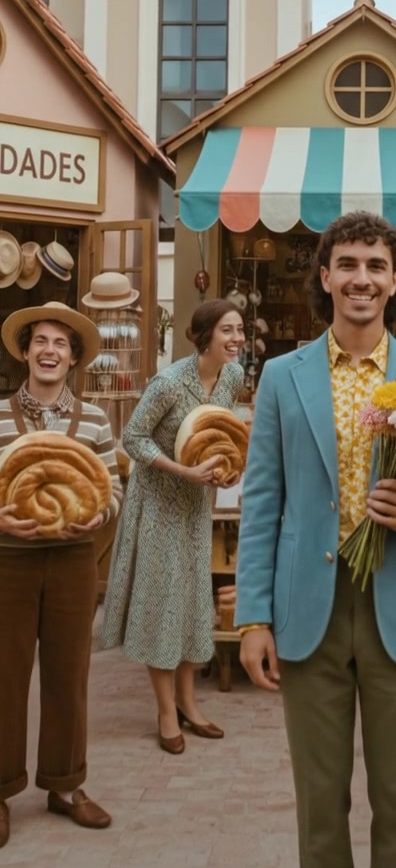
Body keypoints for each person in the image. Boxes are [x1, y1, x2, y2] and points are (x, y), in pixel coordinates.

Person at [236, 211, 396, 868]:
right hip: (308, 610)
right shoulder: (283, 377)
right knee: (319, 809)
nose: (361, 278)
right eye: (347, 264)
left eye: (375, 266)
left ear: (395, 280)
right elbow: (263, 503)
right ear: (325, 276)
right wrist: (254, 615)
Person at [0, 300, 123, 848]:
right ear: (25, 352)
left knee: (69, 674)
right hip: (9, 560)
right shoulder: (0, 416)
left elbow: (116, 486)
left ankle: (66, 785)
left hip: (73, 559)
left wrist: (101, 512)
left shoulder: (95, 420)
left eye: (61, 344)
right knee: (4, 677)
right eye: (41, 342)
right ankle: (1, 790)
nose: (50, 352)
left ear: (73, 359)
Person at [101, 298, 245, 753]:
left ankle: (189, 703)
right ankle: (166, 713)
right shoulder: (168, 383)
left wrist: (227, 469)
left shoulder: (234, 377)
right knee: (163, 607)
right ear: (204, 337)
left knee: (191, 603)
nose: (237, 339)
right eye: (228, 331)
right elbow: (133, 437)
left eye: (240, 330)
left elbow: (219, 434)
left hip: (196, 506)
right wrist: (183, 472)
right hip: (159, 504)